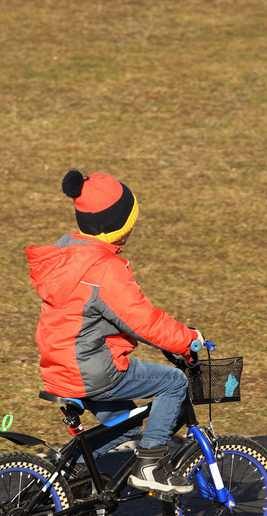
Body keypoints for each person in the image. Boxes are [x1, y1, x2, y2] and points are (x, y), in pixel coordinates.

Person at [24, 169, 202, 494]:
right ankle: (150, 465)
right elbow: (143, 321)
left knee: (125, 423)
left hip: (59, 367)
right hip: (92, 371)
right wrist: (187, 338)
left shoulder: (66, 257)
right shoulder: (105, 270)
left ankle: (67, 477)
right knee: (174, 383)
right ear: (119, 227)